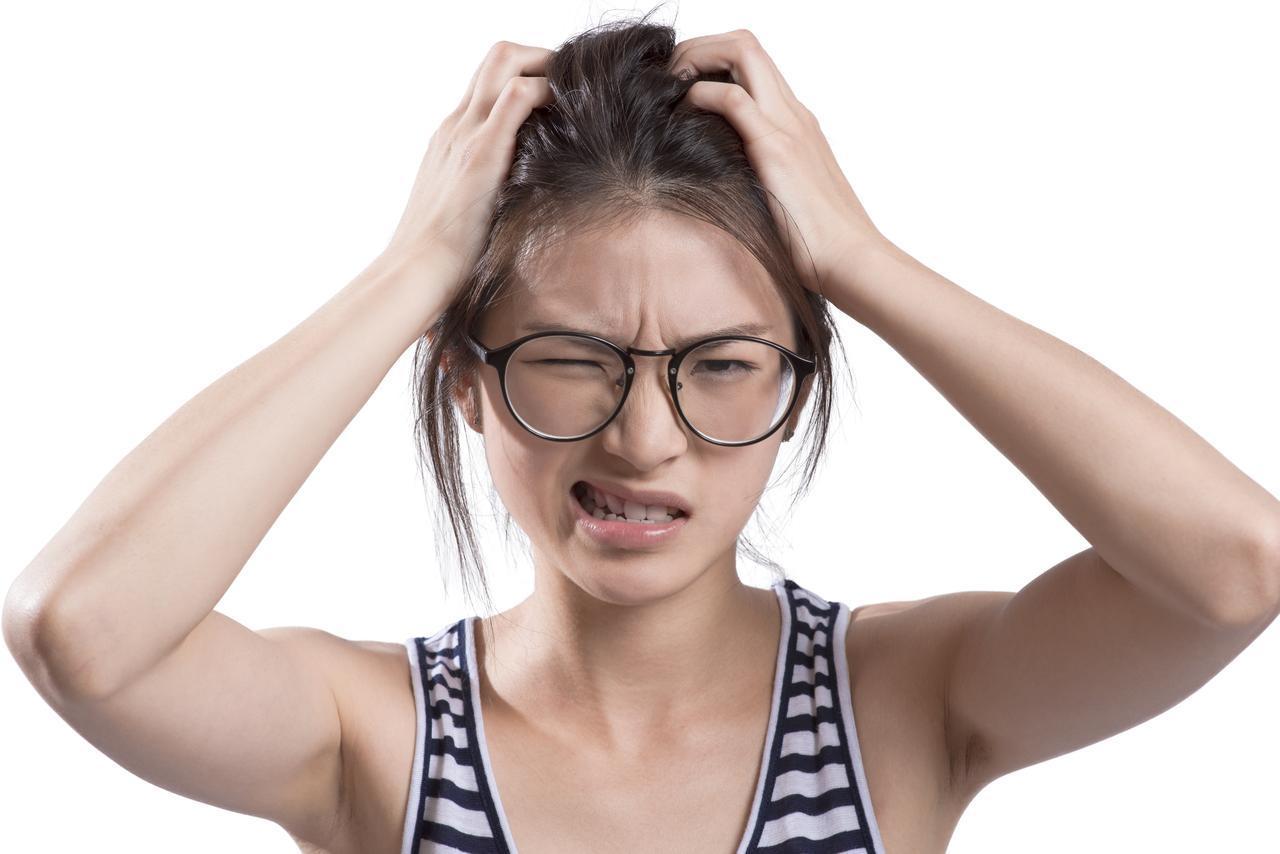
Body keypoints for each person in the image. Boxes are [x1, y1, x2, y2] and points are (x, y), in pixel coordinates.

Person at [5, 14, 1279, 854]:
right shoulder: (373, 734)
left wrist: (860, 258)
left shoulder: (899, 699)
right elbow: (81, 629)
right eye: (572, 360)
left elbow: (1234, 566)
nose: (644, 438)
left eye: (721, 364)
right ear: (464, 380)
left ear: (794, 384)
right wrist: (412, 269)